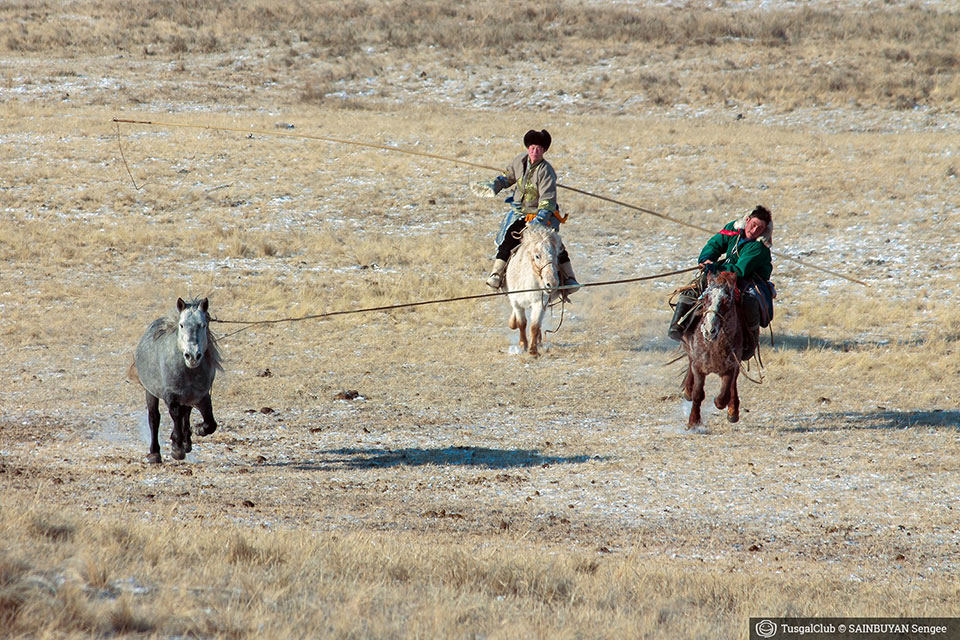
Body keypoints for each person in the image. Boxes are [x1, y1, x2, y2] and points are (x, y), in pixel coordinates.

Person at [668, 205, 774, 361]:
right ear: (747, 220)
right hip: (724, 269)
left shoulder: (759, 247)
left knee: (750, 302)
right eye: (753, 225)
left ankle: (750, 343)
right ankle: (677, 326)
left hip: (748, 277)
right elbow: (715, 244)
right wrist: (706, 259)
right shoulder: (733, 228)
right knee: (693, 288)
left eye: (760, 228)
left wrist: (715, 267)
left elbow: (741, 270)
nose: (755, 230)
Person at [482, 129, 579, 295]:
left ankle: (569, 279)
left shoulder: (547, 172)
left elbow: (548, 200)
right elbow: (508, 177)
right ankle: (497, 274)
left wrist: (539, 220)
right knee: (510, 236)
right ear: (528, 148)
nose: (535, 151)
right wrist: (494, 185)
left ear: (544, 151)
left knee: (553, 244)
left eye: (539, 148)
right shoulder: (519, 161)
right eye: (533, 147)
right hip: (520, 212)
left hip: (543, 215)